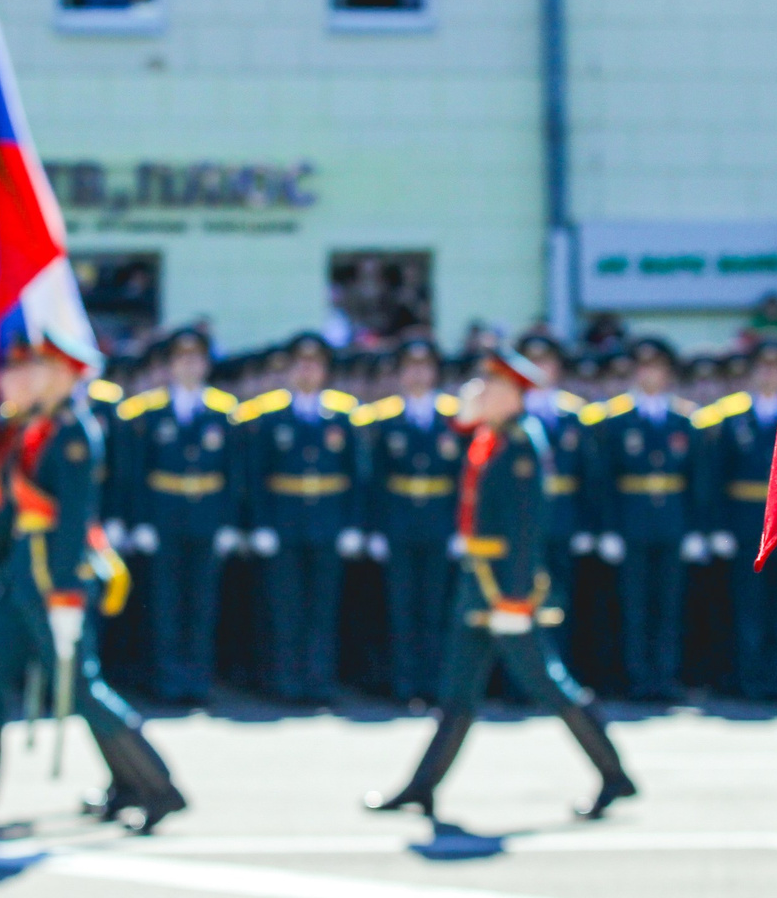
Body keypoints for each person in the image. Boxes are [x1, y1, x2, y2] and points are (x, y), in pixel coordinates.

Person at [0, 334, 185, 837]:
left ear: (55, 376)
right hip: (19, 577)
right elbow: (12, 509)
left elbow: (71, 522)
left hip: (53, 582)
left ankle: (156, 786)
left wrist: (66, 595)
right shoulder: (32, 428)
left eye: (22, 370)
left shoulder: (73, 434)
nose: (8, 379)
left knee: (81, 688)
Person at [367, 346, 636, 823]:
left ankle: (613, 773)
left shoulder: (521, 442)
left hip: (504, 588)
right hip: (480, 581)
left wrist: (515, 596)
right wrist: (469, 411)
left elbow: (526, 527)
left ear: (512, 393)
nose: (477, 392)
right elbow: (458, 433)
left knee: (549, 685)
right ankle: (422, 785)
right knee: (457, 690)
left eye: (488, 386)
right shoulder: (494, 434)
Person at [239, 333, 361, 705]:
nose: (308, 370)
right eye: (301, 363)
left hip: (328, 519)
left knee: (323, 607)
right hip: (284, 520)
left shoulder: (342, 414)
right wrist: (261, 524)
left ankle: (319, 681)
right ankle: (286, 681)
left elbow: (357, 475)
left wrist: (352, 524)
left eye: (315, 364)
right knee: (285, 607)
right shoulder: (269, 415)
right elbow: (256, 475)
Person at [120, 328, 239, 706]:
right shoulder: (148, 411)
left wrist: (229, 522)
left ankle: (198, 680)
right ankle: (168, 680)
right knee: (165, 604)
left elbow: (235, 474)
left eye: (196, 359)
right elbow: (136, 472)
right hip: (163, 516)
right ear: (170, 365)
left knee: (202, 603)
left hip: (207, 515)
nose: (189, 366)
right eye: (182, 359)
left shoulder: (224, 410)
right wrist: (140, 521)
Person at [360, 338, 464, 710]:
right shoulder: (384, 417)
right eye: (410, 367)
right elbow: (374, 479)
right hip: (399, 520)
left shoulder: (455, 416)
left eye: (425, 367)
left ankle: (435, 684)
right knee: (401, 607)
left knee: (436, 607)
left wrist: (461, 528)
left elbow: (463, 479)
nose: (418, 374)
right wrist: (375, 529)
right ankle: (405, 684)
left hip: (439, 519)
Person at [595, 336, 700, 701]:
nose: (650, 375)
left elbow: (697, 479)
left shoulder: (684, 419)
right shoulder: (616, 419)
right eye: (643, 368)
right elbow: (604, 479)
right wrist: (608, 529)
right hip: (631, 520)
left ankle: (665, 677)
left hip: (671, 520)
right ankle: (636, 677)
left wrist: (696, 528)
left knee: (669, 605)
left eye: (657, 368)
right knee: (634, 606)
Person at [700, 340, 777, 704]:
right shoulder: (732, 418)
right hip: (744, 523)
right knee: (748, 606)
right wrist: (718, 527)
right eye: (762, 367)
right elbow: (716, 477)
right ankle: (749, 678)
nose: (769, 374)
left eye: (776, 368)